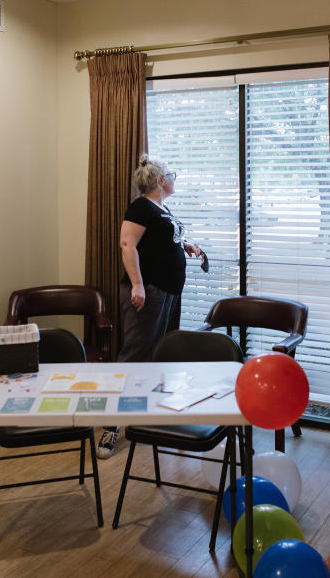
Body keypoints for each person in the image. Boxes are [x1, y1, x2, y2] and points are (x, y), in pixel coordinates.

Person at [97, 155, 202, 459]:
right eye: (172, 174)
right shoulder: (140, 206)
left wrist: (187, 246)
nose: (175, 178)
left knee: (159, 353)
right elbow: (128, 244)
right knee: (135, 355)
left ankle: (147, 417)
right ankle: (112, 427)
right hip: (149, 292)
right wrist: (138, 284)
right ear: (159, 181)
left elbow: (159, 241)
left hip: (168, 291)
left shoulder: (161, 208)